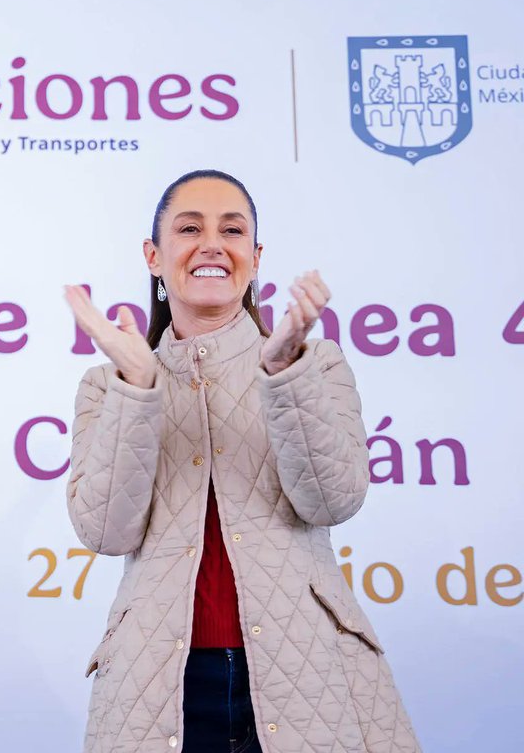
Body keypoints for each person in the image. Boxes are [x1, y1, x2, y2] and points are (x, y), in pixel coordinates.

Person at [63, 170, 419, 753]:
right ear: (154, 257)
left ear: (254, 258)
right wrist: (139, 385)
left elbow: (333, 500)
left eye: (232, 230)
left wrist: (282, 372)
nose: (211, 244)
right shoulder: (109, 385)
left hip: (306, 674)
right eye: (189, 228)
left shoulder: (313, 364)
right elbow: (105, 530)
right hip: (155, 687)